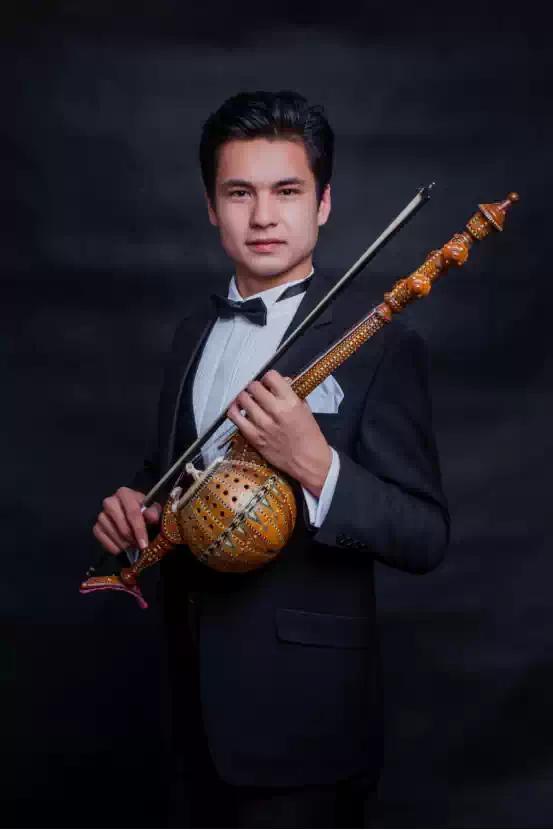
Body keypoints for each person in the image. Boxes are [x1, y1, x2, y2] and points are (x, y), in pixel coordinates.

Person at [93, 90, 450, 828]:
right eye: (239, 193)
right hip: (182, 709)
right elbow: (176, 472)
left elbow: (424, 534)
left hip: (304, 722)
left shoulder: (382, 342)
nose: (262, 216)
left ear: (323, 203)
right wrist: (137, 506)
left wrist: (316, 465)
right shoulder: (191, 332)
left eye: (286, 191)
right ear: (210, 207)